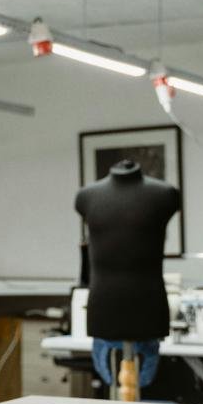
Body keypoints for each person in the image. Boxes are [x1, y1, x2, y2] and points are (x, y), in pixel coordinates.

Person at [75, 159, 180, 389]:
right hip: (106, 309)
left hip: (147, 309)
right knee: (114, 386)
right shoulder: (86, 196)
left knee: (141, 387)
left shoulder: (166, 194)